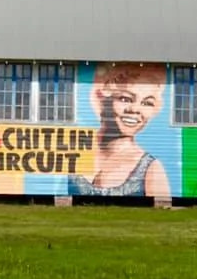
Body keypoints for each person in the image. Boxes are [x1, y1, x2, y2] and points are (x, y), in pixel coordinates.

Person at [68, 63, 170, 198]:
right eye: (125, 99)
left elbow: (163, 208)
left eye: (147, 103)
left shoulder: (151, 169)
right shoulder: (71, 152)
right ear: (102, 98)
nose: (135, 110)